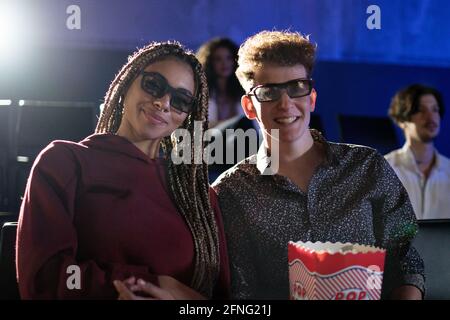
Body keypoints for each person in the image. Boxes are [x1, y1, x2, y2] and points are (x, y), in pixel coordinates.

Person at [212, 30, 425, 300]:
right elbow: (241, 292)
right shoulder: (231, 191)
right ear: (249, 106)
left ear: (311, 98)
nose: (285, 103)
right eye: (268, 92)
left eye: (296, 87)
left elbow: (405, 260)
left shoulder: (367, 166)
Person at [16, 41, 229, 299]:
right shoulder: (64, 162)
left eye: (181, 100)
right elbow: (45, 279)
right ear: (128, 83)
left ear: (188, 115)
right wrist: (153, 285)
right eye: (153, 85)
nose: (163, 102)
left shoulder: (199, 198)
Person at [385, 84, 450, 220]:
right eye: (421, 110)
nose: (430, 116)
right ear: (402, 120)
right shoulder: (384, 170)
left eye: (435, 110)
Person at [196, 37, 245, 127]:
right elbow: (200, 126)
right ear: (210, 62)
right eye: (218, 59)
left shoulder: (244, 90)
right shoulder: (200, 92)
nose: (224, 63)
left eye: (229, 58)